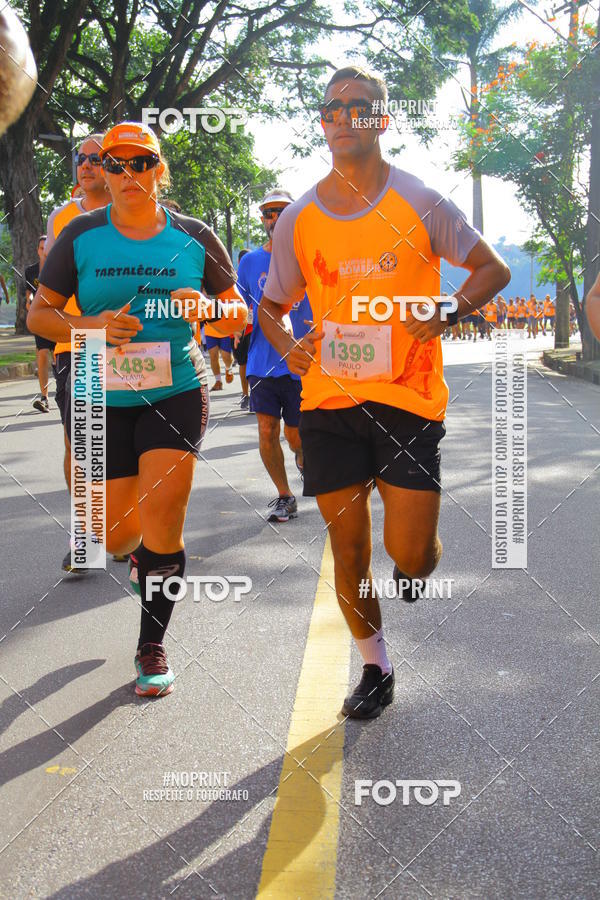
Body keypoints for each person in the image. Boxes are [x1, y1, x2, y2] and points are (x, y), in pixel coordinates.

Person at [259, 65, 510, 719]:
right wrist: (288, 347)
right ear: (323, 124)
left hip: (408, 400)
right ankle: (376, 666)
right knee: (347, 548)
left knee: (412, 557)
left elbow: (494, 267)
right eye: (332, 109)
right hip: (328, 402)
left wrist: (451, 310)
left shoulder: (421, 201)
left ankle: (415, 557)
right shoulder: (300, 219)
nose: (343, 117)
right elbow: (271, 306)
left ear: (382, 118)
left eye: (358, 107)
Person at [28, 121, 247, 697]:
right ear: (103, 170)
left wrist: (207, 309)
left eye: (141, 162)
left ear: (160, 169)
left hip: (174, 386)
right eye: (115, 163)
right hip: (99, 389)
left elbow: (237, 314)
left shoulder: (194, 236)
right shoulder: (80, 236)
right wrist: (90, 325)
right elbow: (40, 316)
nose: (128, 174)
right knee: (117, 533)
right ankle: (134, 559)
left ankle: (152, 644)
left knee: (165, 517)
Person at [44, 135, 112, 570]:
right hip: (76, 341)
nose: (85, 165)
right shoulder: (61, 217)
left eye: (96, 158)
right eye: (80, 159)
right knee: (80, 444)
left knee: (124, 442)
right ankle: (87, 533)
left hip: (127, 340)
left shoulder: (128, 212)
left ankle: (128, 525)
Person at [238, 189, 311, 522]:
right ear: (263, 219)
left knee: (296, 436)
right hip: (262, 363)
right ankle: (285, 495)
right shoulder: (250, 262)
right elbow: (237, 305)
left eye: (283, 211)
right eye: (269, 212)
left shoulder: (308, 255)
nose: (275, 218)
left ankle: (303, 458)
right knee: (267, 430)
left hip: (302, 363)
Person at [24, 235, 54, 411]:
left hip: (60, 316)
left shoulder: (61, 267)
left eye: (47, 248)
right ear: (38, 250)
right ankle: (44, 397)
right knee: (42, 354)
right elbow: (29, 291)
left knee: (59, 357)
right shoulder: (31, 271)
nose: (45, 251)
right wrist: (28, 301)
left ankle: (65, 393)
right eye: (41, 248)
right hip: (41, 317)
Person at [232, 248, 252, 409]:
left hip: (256, 327)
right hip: (240, 327)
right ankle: (245, 395)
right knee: (243, 362)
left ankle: (252, 396)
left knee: (252, 362)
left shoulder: (258, 273)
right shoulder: (233, 279)